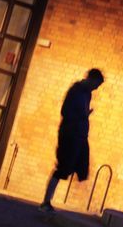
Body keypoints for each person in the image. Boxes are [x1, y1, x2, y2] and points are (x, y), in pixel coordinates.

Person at [37, 68, 105, 213]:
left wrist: (84, 116)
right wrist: (83, 115)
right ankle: (46, 201)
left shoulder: (87, 94)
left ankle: (51, 198)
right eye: (96, 84)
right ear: (90, 79)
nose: (96, 88)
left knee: (81, 166)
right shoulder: (76, 91)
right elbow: (65, 111)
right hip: (70, 133)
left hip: (80, 134)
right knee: (63, 168)